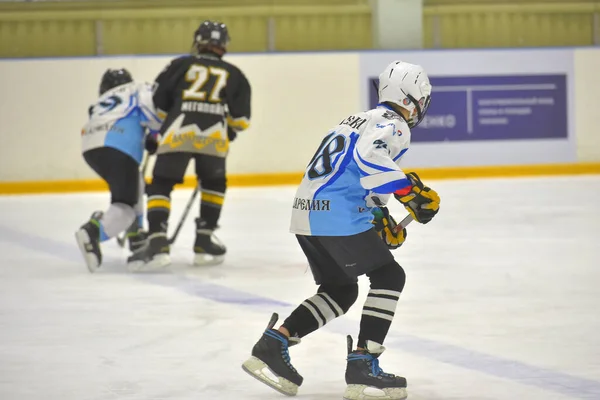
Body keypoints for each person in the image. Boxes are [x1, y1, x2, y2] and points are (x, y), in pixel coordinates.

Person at [241, 60, 440, 400]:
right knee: (390, 277)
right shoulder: (395, 125)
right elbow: (370, 161)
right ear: (410, 99)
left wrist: (380, 218)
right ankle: (363, 363)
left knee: (340, 289)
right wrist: (409, 192)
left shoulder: (356, 119)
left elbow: (360, 177)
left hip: (306, 213)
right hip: (336, 213)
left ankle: (273, 344)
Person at [142, 20, 252, 268]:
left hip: (177, 131)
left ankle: (158, 239)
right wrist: (230, 129)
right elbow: (242, 120)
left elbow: (158, 104)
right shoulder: (235, 74)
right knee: (214, 183)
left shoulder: (180, 64)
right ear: (223, 45)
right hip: (213, 135)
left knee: (162, 182)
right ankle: (204, 239)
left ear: (198, 41)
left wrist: (154, 133)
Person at [75, 68, 162, 273]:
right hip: (118, 145)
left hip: (90, 148)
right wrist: (155, 134)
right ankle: (94, 231)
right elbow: (153, 112)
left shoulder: (101, 101)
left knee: (134, 184)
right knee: (125, 208)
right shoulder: (137, 88)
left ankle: (136, 235)